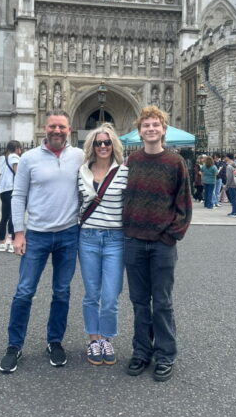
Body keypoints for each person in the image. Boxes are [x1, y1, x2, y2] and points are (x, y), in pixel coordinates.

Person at [0, 110, 83, 374]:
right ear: (44, 128)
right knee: (24, 291)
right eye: (52, 126)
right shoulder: (29, 158)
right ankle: (14, 345)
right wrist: (18, 233)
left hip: (69, 234)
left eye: (61, 127)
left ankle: (54, 341)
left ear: (69, 129)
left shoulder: (80, 156)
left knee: (62, 291)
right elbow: (18, 195)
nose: (56, 131)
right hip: (36, 234)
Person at [123, 106, 192, 382]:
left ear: (163, 129)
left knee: (162, 302)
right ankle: (141, 351)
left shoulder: (175, 162)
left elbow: (184, 204)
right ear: (140, 131)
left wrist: (171, 234)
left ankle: (165, 354)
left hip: (162, 244)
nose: (151, 129)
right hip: (134, 241)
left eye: (155, 125)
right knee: (139, 302)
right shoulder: (132, 161)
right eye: (146, 126)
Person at [77, 123, 128, 366]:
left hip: (115, 239)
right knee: (91, 294)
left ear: (113, 145)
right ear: (92, 146)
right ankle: (93, 339)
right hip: (87, 237)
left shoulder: (124, 172)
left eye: (107, 142)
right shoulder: (82, 172)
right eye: (99, 143)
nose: (103, 146)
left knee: (110, 296)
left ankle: (107, 337)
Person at [0, 140, 22, 252]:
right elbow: (18, 173)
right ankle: (11, 241)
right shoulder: (14, 157)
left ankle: (2, 243)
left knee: (4, 216)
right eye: (19, 148)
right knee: (13, 216)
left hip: (2, 189)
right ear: (16, 148)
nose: (20, 151)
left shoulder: (3, 158)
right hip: (11, 188)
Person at [224, 153, 236, 218]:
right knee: (234, 199)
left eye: (225, 157)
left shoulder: (229, 166)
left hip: (231, 185)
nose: (225, 158)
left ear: (228, 158)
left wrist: (226, 185)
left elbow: (229, 177)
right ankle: (234, 211)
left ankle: (235, 212)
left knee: (233, 199)